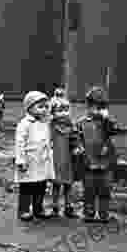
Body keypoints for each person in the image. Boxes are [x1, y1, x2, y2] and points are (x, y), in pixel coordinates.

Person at [74, 86, 118, 222]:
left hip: (105, 162)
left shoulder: (106, 123)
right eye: (94, 107)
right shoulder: (82, 123)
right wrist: (78, 147)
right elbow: (76, 137)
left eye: (101, 107)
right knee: (89, 189)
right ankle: (89, 213)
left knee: (105, 189)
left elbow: (115, 130)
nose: (97, 110)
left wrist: (107, 119)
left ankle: (104, 213)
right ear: (88, 106)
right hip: (88, 161)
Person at [15, 91, 55, 221]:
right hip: (29, 160)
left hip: (42, 160)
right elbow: (19, 142)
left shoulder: (45, 122)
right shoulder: (25, 124)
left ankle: (38, 208)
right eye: (40, 107)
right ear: (29, 108)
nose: (44, 110)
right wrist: (21, 159)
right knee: (27, 186)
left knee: (40, 186)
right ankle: (24, 210)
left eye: (46, 107)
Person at [49, 87, 78, 217]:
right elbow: (46, 138)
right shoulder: (51, 125)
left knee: (68, 183)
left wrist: (77, 146)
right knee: (56, 183)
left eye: (66, 110)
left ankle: (68, 206)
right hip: (55, 158)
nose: (64, 113)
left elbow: (74, 137)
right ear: (54, 111)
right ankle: (55, 206)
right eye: (60, 110)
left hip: (67, 158)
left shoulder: (70, 125)